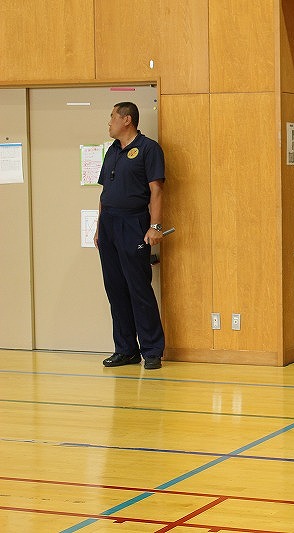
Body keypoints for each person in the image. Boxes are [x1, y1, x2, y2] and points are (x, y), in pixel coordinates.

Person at [94, 102, 166, 370]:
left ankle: (152, 350)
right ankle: (126, 350)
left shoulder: (148, 149)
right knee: (115, 288)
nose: (109, 122)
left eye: (112, 116)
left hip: (134, 222)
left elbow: (156, 190)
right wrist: (99, 227)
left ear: (127, 120)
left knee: (138, 288)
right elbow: (105, 193)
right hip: (109, 225)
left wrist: (155, 226)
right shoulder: (112, 150)